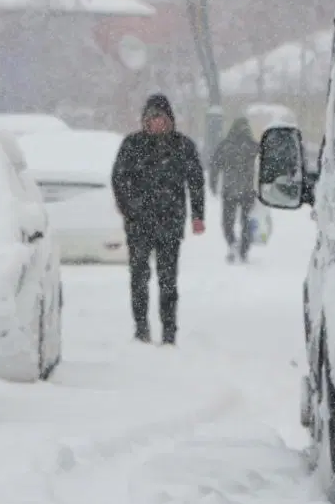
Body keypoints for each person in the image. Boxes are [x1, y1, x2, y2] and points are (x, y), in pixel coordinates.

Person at [111, 94, 206, 345]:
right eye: (152, 119)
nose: (156, 123)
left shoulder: (182, 146)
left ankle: (169, 330)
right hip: (138, 223)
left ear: (169, 120)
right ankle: (141, 327)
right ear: (145, 120)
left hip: (170, 222)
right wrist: (128, 207)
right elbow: (119, 178)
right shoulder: (132, 145)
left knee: (168, 280)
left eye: (161, 119)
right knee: (139, 277)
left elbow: (196, 182)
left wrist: (198, 215)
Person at [210, 117, 260, 263]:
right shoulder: (253, 146)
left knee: (227, 222)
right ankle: (243, 249)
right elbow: (266, 164)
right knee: (246, 222)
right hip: (247, 190)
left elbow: (215, 165)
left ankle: (232, 243)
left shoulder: (225, 145)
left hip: (229, 190)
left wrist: (213, 183)